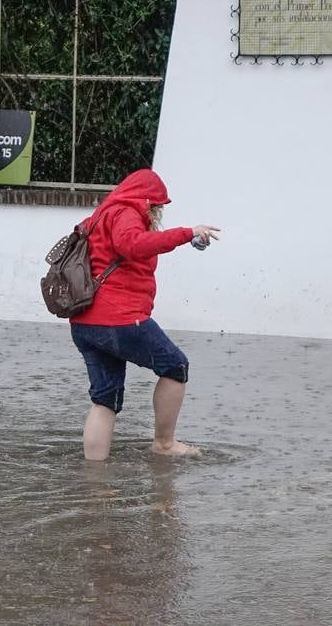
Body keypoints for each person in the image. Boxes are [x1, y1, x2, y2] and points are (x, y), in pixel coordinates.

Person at [69, 168, 219, 461]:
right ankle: (164, 443)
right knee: (176, 366)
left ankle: (94, 481)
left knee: (105, 399)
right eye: (158, 206)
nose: (159, 212)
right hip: (120, 320)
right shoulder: (126, 213)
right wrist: (187, 234)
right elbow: (133, 245)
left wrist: (183, 239)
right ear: (149, 201)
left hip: (86, 323)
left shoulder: (100, 215)